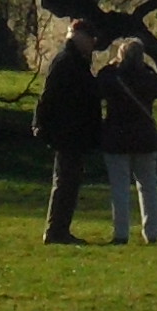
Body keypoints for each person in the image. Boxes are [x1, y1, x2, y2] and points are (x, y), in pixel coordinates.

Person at [95, 37, 157, 245]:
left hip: (116, 137)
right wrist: (146, 67)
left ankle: (121, 234)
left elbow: (98, 86)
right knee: (148, 187)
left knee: (119, 188)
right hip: (145, 137)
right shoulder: (148, 78)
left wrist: (114, 65)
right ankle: (152, 232)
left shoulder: (111, 77)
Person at [33, 18, 103, 244]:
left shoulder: (74, 61)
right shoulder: (67, 61)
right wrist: (41, 124)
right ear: (79, 37)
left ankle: (59, 229)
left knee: (68, 181)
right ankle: (56, 230)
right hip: (68, 131)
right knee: (66, 181)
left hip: (73, 130)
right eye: (90, 38)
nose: (93, 43)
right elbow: (49, 95)